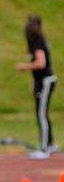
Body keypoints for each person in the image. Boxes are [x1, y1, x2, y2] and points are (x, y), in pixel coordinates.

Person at [16, 14, 57, 159]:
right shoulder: (39, 41)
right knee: (43, 113)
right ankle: (51, 143)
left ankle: (45, 148)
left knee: (41, 113)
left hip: (46, 81)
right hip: (42, 81)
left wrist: (24, 67)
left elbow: (41, 63)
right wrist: (34, 82)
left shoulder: (38, 43)